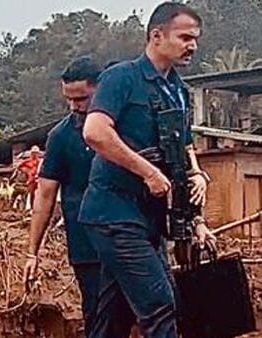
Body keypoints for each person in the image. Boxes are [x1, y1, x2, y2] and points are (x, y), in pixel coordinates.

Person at [80, 3, 215, 337]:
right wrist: (147, 171)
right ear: (156, 35)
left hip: (150, 219)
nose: (192, 46)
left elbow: (183, 148)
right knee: (160, 303)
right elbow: (95, 132)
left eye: (195, 39)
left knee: (114, 315)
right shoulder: (121, 77)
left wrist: (196, 178)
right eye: (185, 37)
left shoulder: (180, 91)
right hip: (114, 214)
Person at [22, 56, 102, 336]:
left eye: (81, 98)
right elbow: (45, 196)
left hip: (132, 241)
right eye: (68, 99)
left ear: (101, 89)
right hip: (86, 247)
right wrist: (33, 251)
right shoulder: (61, 137)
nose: (74, 106)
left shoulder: (127, 126)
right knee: (98, 314)